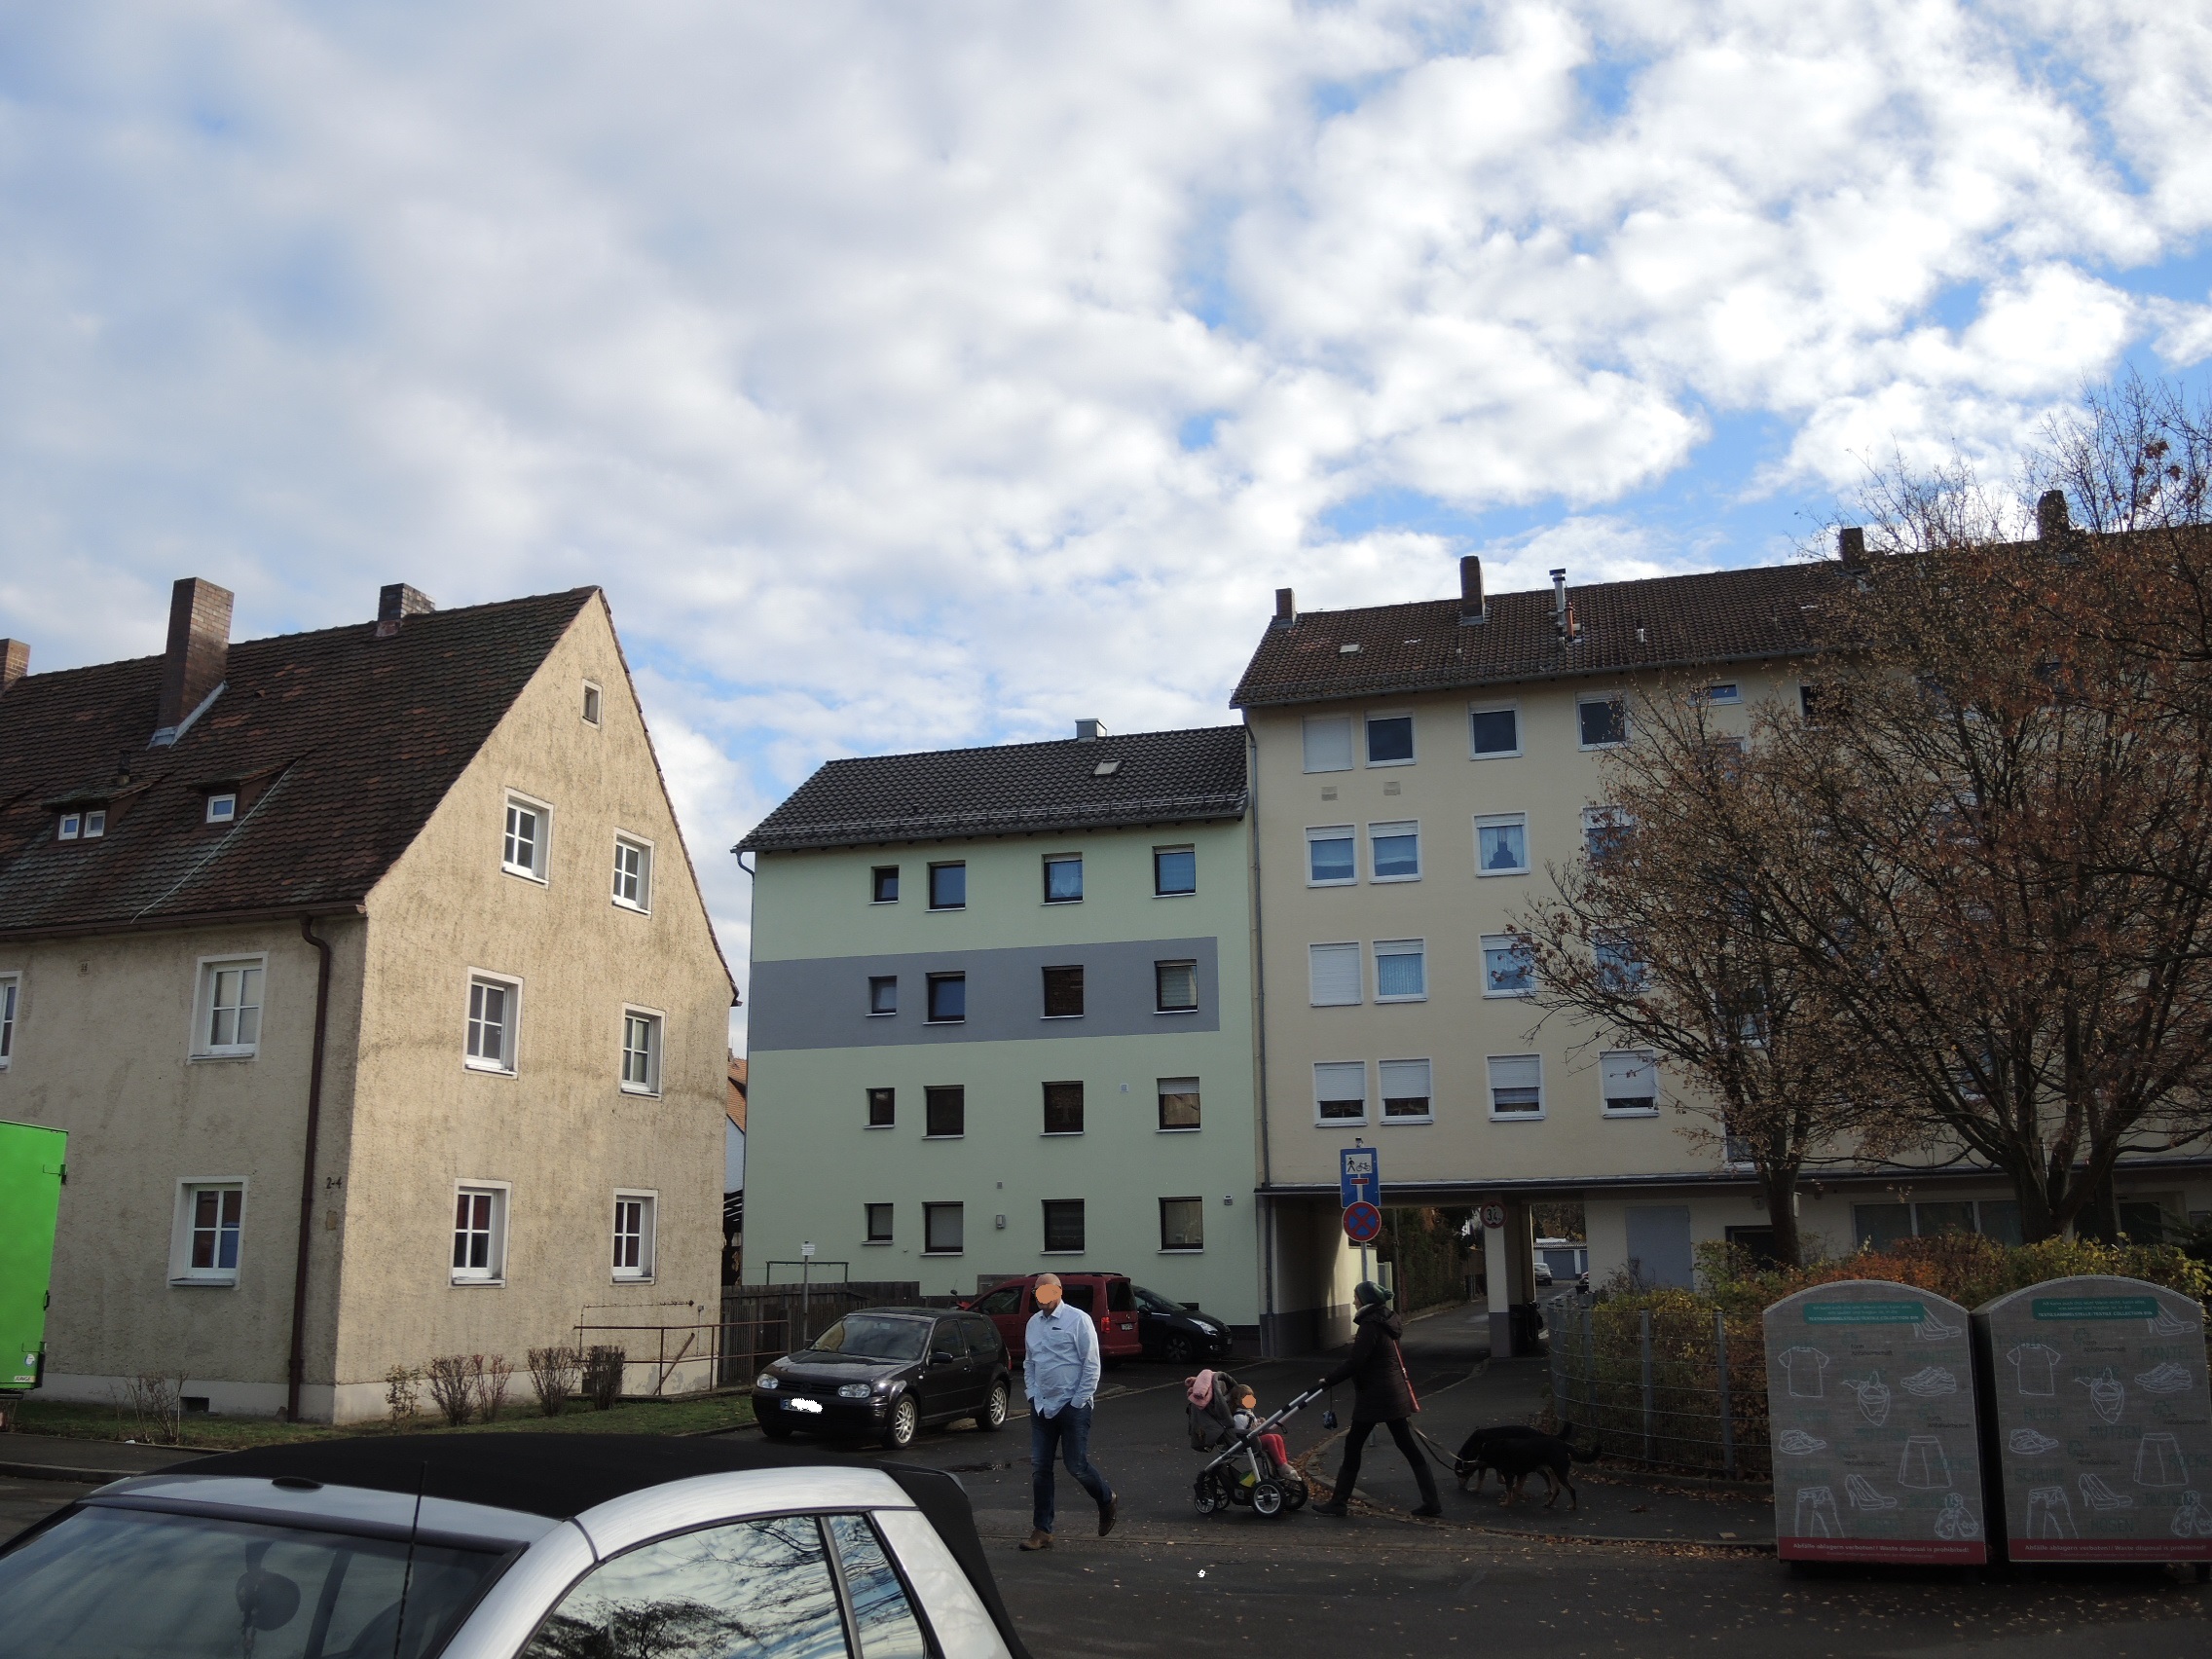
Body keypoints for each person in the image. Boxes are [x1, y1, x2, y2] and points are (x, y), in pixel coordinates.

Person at [1312, 1279, 1441, 1517]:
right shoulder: (1387, 1321)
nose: (1353, 1301)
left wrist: (1329, 1380)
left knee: (1354, 1444)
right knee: (1407, 1445)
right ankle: (1431, 1501)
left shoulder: (1370, 1325)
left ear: (1365, 1300)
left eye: (1356, 1297)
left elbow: (1356, 1361)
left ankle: (1339, 1502)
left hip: (1376, 1395)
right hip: (1392, 1392)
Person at [1019, 1272, 1119, 1550]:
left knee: (1076, 1466)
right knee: (1040, 1469)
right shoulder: (1033, 1324)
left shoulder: (1078, 1320)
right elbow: (1030, 1363)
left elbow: (1092, 1364)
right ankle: (1042, 1530)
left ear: (1059, 1292)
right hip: (1042, 1406)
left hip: (1072, 1406)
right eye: (1037, 1293)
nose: (1042, 1298)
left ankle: (1106, 1498)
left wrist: (1078, 1401)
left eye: (1047, 1292)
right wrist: (1032, 1394)